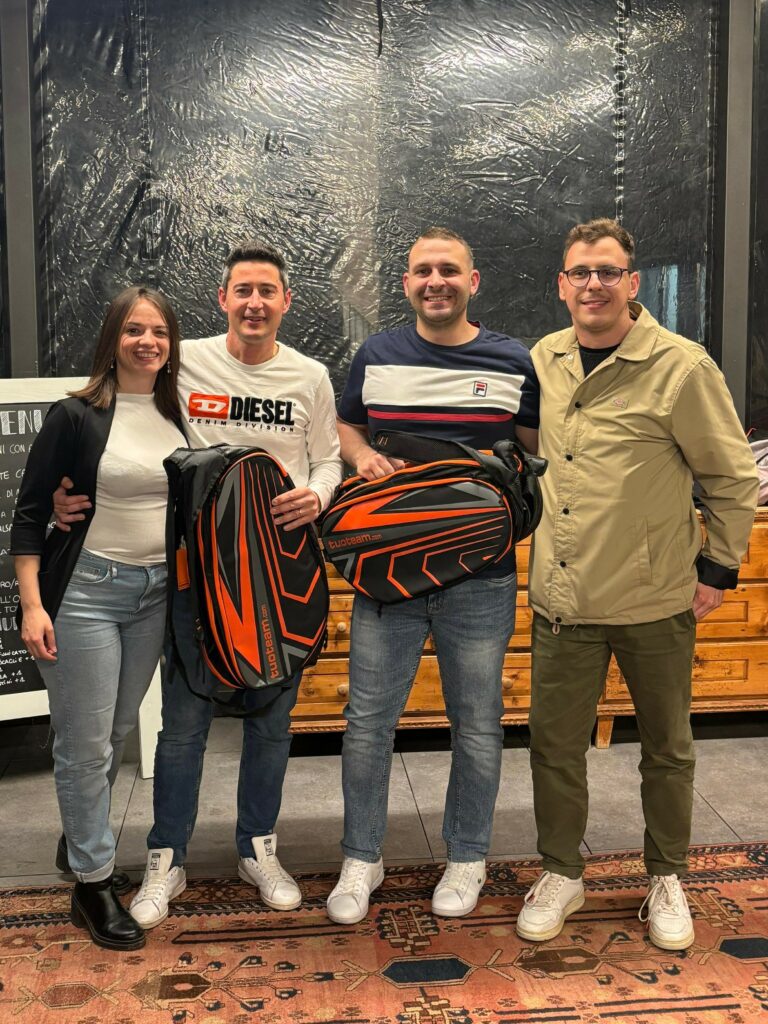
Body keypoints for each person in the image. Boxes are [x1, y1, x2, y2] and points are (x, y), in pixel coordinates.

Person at [54, 241, 342, 927]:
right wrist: (69, 489)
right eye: (243, 290)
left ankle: (258, 848)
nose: (254, 303)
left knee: (271, 721)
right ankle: (167, 857)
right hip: (194, 574)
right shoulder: (183, 366)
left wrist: (318, 494)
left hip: (278, 574)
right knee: (183, 725)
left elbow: (329, 460)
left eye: (267, 291)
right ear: (223, 299)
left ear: (286, 301)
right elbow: (120, 422)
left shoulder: (311, 376)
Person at [515, 218, 759, 951]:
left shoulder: (682, 367)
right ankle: (562, 871)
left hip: (655, 597)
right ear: (562, 286)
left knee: (667, 746)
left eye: (607, 272)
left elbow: (731, 475)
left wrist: (718, 568)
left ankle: (667, 876)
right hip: (564, 596)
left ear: (633, 282)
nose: (593, 284)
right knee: (554, 746)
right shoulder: (544, 357)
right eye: (580, 273)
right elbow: (533, 449)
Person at [327, 226, 540, 924]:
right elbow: (349, 427)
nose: (435, 281)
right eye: (423, 271)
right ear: (407, 283)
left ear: (472, 281)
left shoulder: (512, 361)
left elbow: (535, 453)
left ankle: (467, 856)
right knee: (367, 725)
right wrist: (360, 457)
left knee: (476, 725)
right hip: (385, 576)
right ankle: (362, 858)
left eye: (449, 269)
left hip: (481, 578)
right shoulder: (377, 354)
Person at [11, 286, 186, 950]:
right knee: (84, 745)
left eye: (159, 331)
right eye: (134, 330)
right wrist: (33, 605)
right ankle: (93, 882)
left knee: (111, 732)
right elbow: (31, 515)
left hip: (155, 594)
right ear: (112, 340)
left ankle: (77, 836)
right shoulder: (75, 415)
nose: (148, 342)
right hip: (85, 593)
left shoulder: (179, 412)